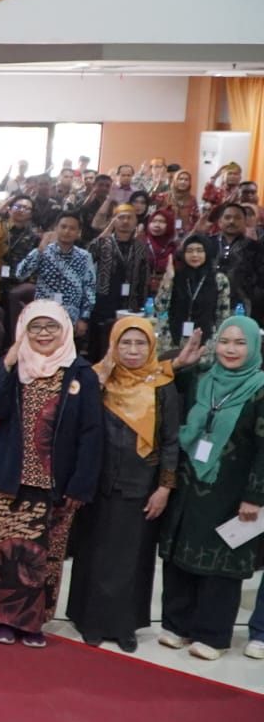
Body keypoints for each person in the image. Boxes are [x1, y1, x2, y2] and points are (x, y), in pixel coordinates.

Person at [0, 299, 103, 648]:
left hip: (55, 483)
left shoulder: (81, 373)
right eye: (35, 327)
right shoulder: (15, 367)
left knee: (45, 557)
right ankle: (3, 618)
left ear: (65, 329)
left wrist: (80, 483)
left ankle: (33, 622)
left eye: (51, 326)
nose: (43, 333)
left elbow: (91, 433)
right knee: (5, 553)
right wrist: (6, 364)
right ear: (23, 330)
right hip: (11, 479)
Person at [68, 317, 187, 652]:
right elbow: (76, 422)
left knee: (131, 559)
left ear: (151, 347)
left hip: (141, 487)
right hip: (97, 483)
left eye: (140, 343)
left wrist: (164, 487)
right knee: (93, 554)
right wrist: (99, 379)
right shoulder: (97, 379)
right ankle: (90, 621)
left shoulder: (162, 386)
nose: (132, 350)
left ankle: (125, 626)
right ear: (113, 345)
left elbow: (171, 441)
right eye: (125, 343)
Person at [159, 316, 264, 660]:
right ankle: (177, 625)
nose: (230, 350)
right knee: (181, 554)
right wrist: (180, 363)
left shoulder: (260, 389)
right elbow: (157, 382)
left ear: (254, 347)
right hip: (190, 483)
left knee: (221, 563)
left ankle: (212, 635)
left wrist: (255, 496)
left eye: (240, 343)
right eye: (225, 342)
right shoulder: (201, 378)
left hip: (233, 492)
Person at [86, 204, 154, 360]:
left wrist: (142, 306)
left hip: (130, 304)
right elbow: (88, 257)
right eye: (121, 217)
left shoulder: (141, 247)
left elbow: (145, 279)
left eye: (129, 218)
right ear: (113, 220)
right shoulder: (103, 243)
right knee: (98, 346)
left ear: (136, 221)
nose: (125, 221)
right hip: (103, 302)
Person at [16, 211, 96, 341]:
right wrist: (39, 250)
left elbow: (89, 288)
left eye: (72, 228)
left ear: (78, 232)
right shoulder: (43, 251)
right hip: (43, 314)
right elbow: (20, 274)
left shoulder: (84, 257)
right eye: (63, 227)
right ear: (55, 228)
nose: (67, 231)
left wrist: (84, 318)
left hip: (70, 318)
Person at [155, 234, 229, 365]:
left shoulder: (219, 279)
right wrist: (167, 280)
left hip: (206, 342)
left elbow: (223, 316)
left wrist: (218, 342)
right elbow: (160, 309)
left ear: (207, 253)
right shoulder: (175, 276)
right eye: (189, 251)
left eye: (200, 251)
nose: (194, 255)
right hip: (172, 340)